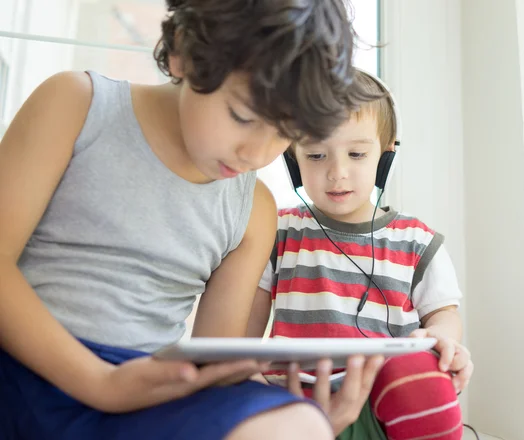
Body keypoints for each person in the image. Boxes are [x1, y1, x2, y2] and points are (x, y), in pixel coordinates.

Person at [0, 1, 386, 439]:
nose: (256, 154)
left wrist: (312, 414)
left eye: (286, 133)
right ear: (183, 51)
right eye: (242, 117)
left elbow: (214, 363)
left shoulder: (254, 210)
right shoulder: (76, 105)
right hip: (24, 364)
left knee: (296, 423)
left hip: (147, 392)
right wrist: (101, 384)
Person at [249, 70, 475, 440]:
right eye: (316, 155)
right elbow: (243, 329)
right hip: (290, 401)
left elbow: (444, 316)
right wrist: (245, 373)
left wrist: (438, 338)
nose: (337, 173)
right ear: (293, 162)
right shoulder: (276, 231)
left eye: (356, 154)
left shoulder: (418, 241)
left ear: (385, 159)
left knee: (421, 371)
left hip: (383, 404)